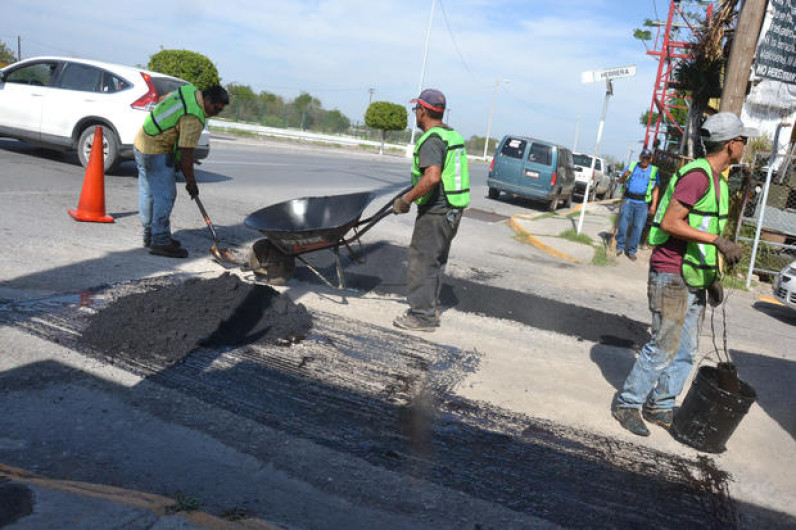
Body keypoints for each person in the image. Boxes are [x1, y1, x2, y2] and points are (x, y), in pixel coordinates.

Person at [612, 112, 754, 437]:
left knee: (686, 349)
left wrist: (712, 276)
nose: (744, 145)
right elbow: (671, 223)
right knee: (663, 346)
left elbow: (700, 228)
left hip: (694, 275)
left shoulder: (718, 180)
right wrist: (719, 241)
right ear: (731, 144)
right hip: (672, 274)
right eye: (742, 140)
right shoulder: (698, 177)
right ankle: (628, 403)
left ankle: (660, 405)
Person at [392, 89, 470, 332]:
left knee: (422, 261)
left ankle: (422, 317)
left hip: (436, 212)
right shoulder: (450, 135)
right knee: (435, 261)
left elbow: (432, 177)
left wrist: (406, 199)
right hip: (451, 211)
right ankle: (430, 308)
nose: (415, 113)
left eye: (416, 109)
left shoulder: (432, 139)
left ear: (423, 111)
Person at [134, 84, 229, 258]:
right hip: (155, 148)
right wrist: (191, 183)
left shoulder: (190, 91)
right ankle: (160, 241)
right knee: (166, 195)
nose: (215, 113)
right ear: (207, 100)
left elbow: (163, 100)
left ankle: (150, 236)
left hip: (141, 140)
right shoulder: (194, 116)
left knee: (148, 192)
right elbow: (187, 156)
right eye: (215, 109)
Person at [615, 148, 660, 261]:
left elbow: (656, 189)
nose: (645, 160)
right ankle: (619, 247)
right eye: (643, 157)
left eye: (647, 158)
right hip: (628, 199)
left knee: (638, 227)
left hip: (642, 203)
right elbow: (620, 181)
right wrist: (624, 176)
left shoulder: (654, 170)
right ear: (640, 157)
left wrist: (654, 205)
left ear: (651, 159)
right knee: (623, 224)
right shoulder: (632, 166)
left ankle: (632, 251)